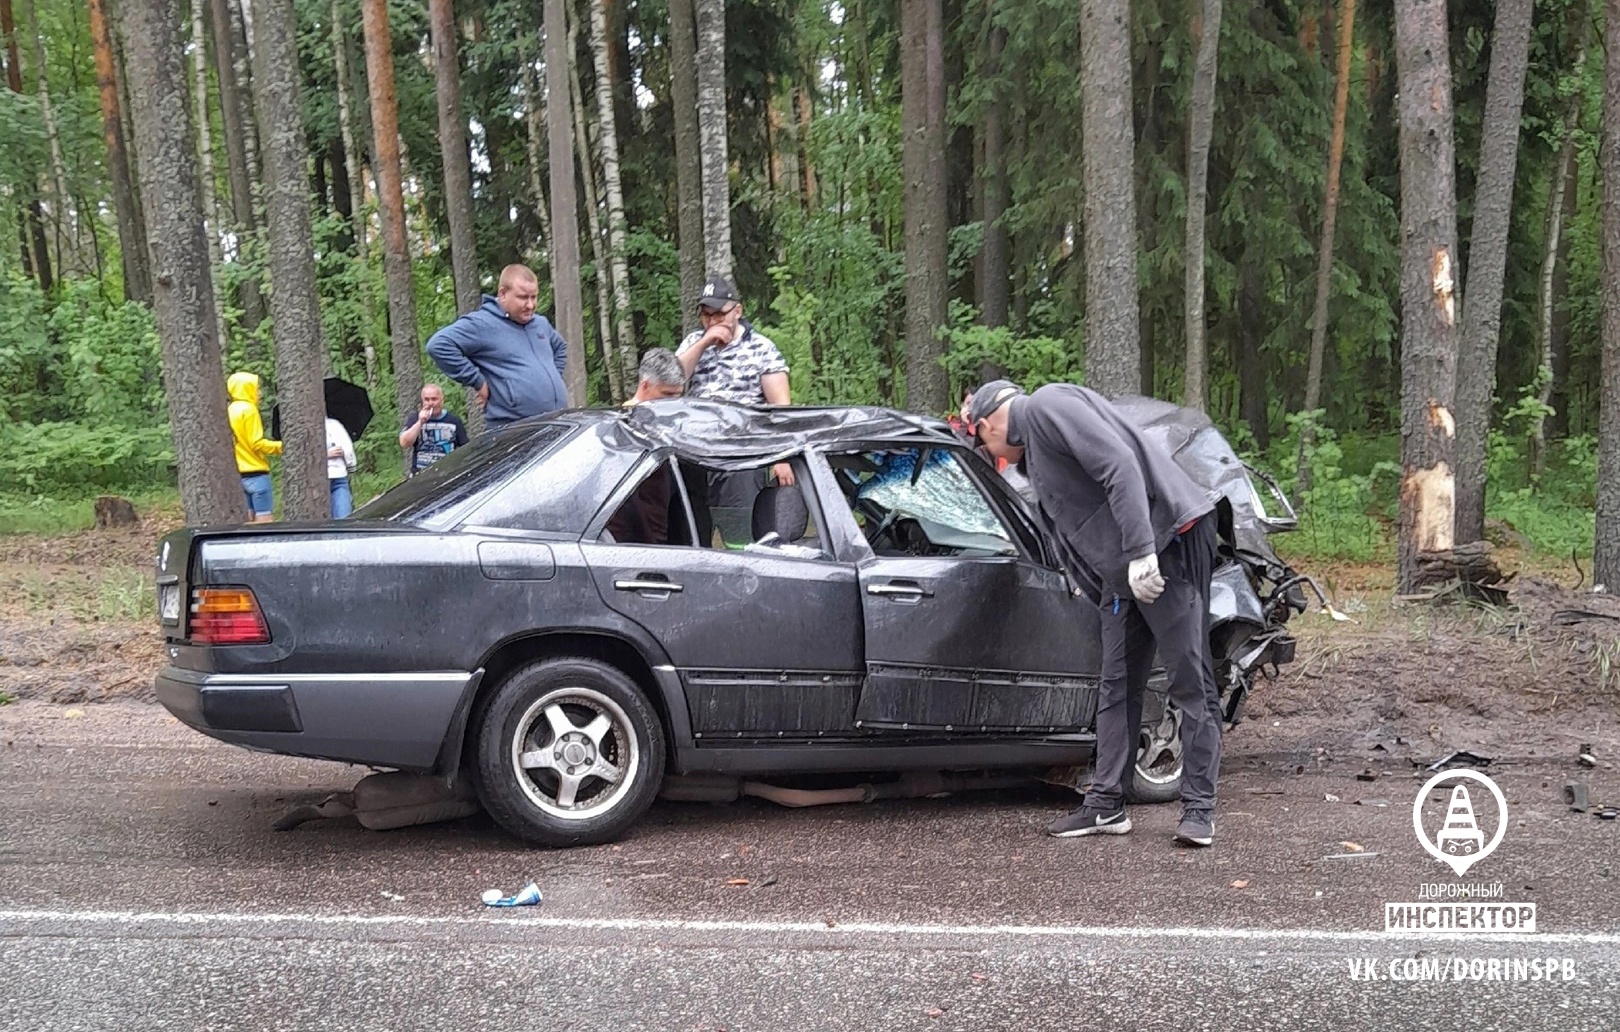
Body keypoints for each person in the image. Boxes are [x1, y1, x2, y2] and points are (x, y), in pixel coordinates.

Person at [968, 379, 1224, 848]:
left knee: (1189, 678)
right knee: (1117, 681)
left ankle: (1200, 810)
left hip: (1167, 543)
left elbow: (1120, 466)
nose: (994, 454)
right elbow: (1079, 525)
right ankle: (1106, 803)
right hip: (1125, 570)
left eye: (982, 440)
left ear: (988, 423)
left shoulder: (1045, 406)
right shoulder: (1036, 455)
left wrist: (1143, 551)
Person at [675, 274, 794, 528]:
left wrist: (782, 457)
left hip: (741, 454)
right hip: (694, 451)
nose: (712, 321)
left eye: (719, 314)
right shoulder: (693, 343)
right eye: (706, 315)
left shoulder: (763, 349)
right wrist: (705, 341)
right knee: (690, 527)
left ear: (737, 311)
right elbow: (672, 382)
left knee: (740, 529)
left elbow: (781, 407)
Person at [425, 264, 570, 428]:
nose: (530, 305)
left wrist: (551, 379)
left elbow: (560, 348)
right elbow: (438, 345)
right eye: (523, 297)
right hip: (514, 429)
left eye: (534, 297)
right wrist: (477, 381)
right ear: (502, 294)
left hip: (557, 423)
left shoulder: (540, 323)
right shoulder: (483, 324)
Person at [605, 349, 689, 546]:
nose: (673, 403)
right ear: (645, 386)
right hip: (633, 539)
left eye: (677, 396)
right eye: (666, 394)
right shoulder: (622, 425)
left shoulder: (673, 420)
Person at [226, 371, 281, 522]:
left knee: (248, 520)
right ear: (246, 388)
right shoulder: (249, 410)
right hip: (256, 473)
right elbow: (256, 443)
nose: (260, 393)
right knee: (264, 521)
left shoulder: (229, 410)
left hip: (238, 474)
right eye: (256, 388)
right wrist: (281, 447)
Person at [398, 383, 469, 475]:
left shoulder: (453, 421)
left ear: (442, 400)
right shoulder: (415, 418)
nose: (430, 403)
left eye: (434, 399)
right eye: (427, 399)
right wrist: (420, 422)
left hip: (447, 473)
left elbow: (465, 448)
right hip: (420, 475)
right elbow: (404, 442)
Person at [325, 416, 358, 518]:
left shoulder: (334, 424)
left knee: (341, 518)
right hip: (320, 479)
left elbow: (347, 449)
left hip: (338, 478)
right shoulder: (334, 424)